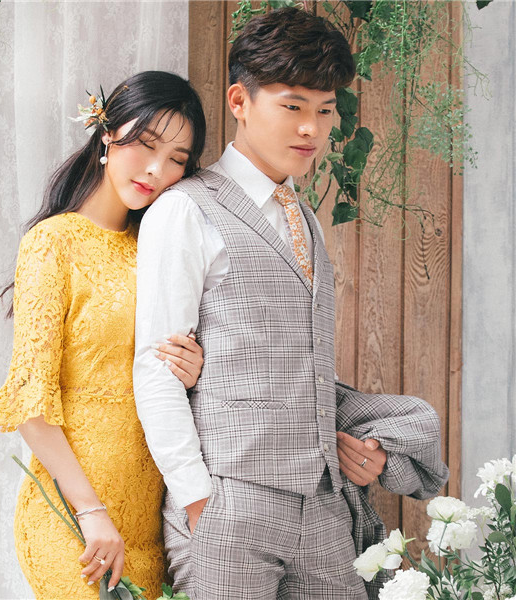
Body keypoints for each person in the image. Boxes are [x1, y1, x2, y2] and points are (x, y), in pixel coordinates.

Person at [133, 8, 421, 599]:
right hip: (228, 504)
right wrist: (199, 502)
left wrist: (356, 452)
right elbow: (156, 370)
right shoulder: (185, 210)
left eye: (325, 110)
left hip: (322, 506)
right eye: (292, 107)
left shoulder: (304, 218)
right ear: (240, 101)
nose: (311, 128)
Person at [0, 71, 207, 600]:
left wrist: (193, 368)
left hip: (150, 523)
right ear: (107, 133)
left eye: (177, 159)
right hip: (74, 520)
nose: (156, 170)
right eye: (146, 144)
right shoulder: (52, 243)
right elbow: (31, 404)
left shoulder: (159, 248)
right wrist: (91, 512)